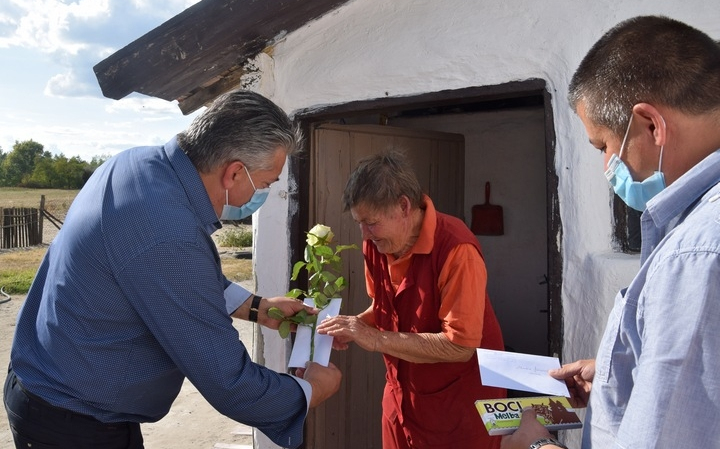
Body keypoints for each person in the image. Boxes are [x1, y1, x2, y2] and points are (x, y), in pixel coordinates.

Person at [3, 89, 342, 449]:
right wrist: (309, 390)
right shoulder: (169, 232)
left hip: (50, 389)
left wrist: (256, 307)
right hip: (74, 421)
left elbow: (167, 278)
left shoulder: (136, 164)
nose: (262, 194)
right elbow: (228, 382)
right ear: (234, 173)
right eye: (265, 183)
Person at [501, 15, 720, 449]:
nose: (607, 168)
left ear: (651, 126)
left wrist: (536, 445)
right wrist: (617, 373)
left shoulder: (696, 253)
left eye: (603, 146)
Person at [316, 151, 506, 449]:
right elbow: (385, 308)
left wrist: (373, 338)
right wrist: (351, 326)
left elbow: (460, 346)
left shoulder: (457, 249)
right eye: (359, 223)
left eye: (371, 222)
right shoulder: (378, 244)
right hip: (402, 398)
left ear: (404, 206)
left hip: (458, 407)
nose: (364, 234)